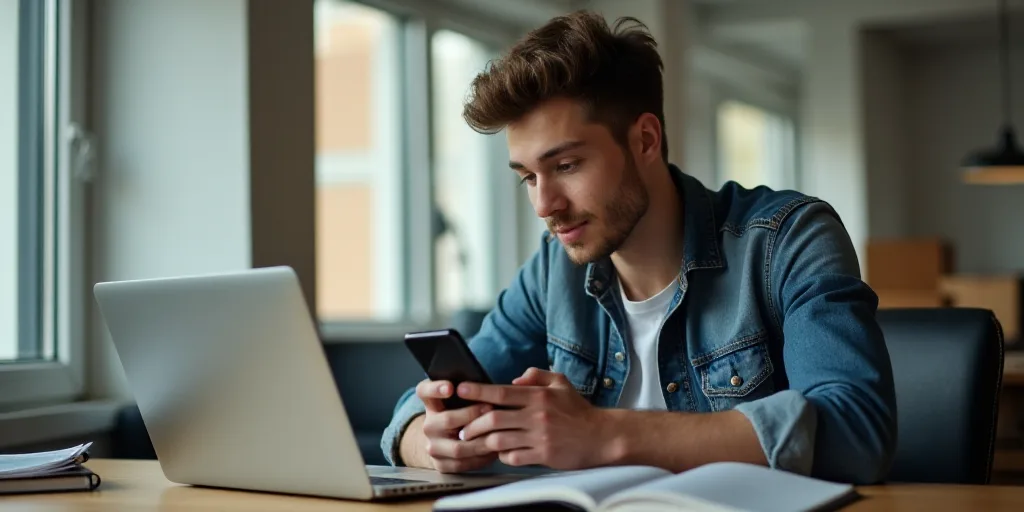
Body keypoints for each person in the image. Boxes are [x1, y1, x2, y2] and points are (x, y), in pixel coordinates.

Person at [381, 9, 896, 484]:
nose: (545, 205)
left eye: (565, 166)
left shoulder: (788, 238)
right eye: (528, 178)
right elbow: (415, 410)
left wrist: (601, 434)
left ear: (645, 140)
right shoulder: (552, 271)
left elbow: (856, 433)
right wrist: (430, 442)